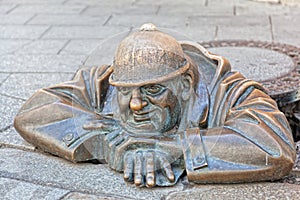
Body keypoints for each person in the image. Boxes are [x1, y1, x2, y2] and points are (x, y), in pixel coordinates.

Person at [14, 23, 295, 187]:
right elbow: (35, 110)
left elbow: (275, 145)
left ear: (184, 86)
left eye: (152, 90)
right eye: (126, 91)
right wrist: (103, 143)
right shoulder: (106, 81)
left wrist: (175, 148)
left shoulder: (225, 89)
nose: (136, 104)